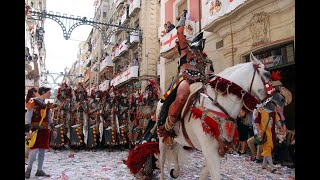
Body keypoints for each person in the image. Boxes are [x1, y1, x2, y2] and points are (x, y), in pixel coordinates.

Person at [157, 9, 212, 149]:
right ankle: (167, 131)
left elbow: (210, 71)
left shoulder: (203, 58)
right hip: (185, 80)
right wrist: (183, 18)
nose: (201, 44)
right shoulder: (185, 50)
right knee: (181, 97)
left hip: (201, 82)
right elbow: (180, 33)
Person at [25, 87, 57, 179]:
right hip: (35, 130)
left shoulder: (47, 105)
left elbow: (49, 119)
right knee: (34, 151)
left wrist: (53, 128)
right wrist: (27, 130)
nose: (50, 94)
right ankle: (28, 170)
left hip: (45, 131)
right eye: (48, 92)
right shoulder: (33, 102)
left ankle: (39, 170)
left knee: (43, 151)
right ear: (43, 92)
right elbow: (28, 117)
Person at [25, 87, 40, 163]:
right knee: (30, 139)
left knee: (30, 139)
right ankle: (27, 155)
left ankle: (28, 156)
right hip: (31, 122)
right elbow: (29, 113)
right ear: (34, 92)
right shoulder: (32, 100)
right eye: (37, 91)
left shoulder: (31, 99)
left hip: (32, 122)